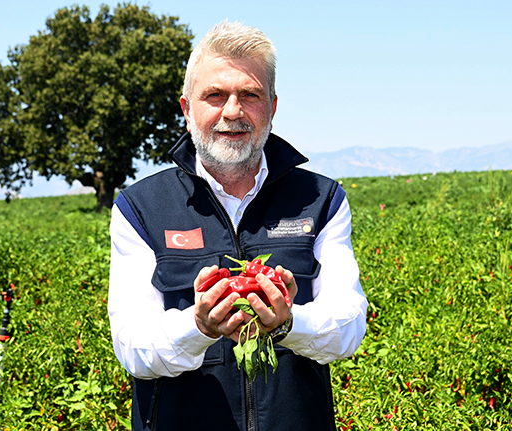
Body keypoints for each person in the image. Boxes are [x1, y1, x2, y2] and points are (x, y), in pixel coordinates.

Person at [108, 20, 368, 431]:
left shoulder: (321, 200)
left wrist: (287, 323)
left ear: (272, 107)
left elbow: (349, 325)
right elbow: (132, 347)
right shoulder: (141, 208)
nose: (233, 111)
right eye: (215, 95)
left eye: (250, 95)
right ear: (187, 109)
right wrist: (198, 326)